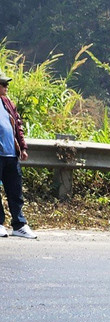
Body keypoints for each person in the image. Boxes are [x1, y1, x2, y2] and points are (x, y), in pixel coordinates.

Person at [0, 72, 35, 240]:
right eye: (3, 83)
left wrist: (23, 147)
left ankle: (19, 225)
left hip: (10, 154)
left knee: (15, 191)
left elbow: (18, 126)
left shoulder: (8, 103)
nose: (6, 86)